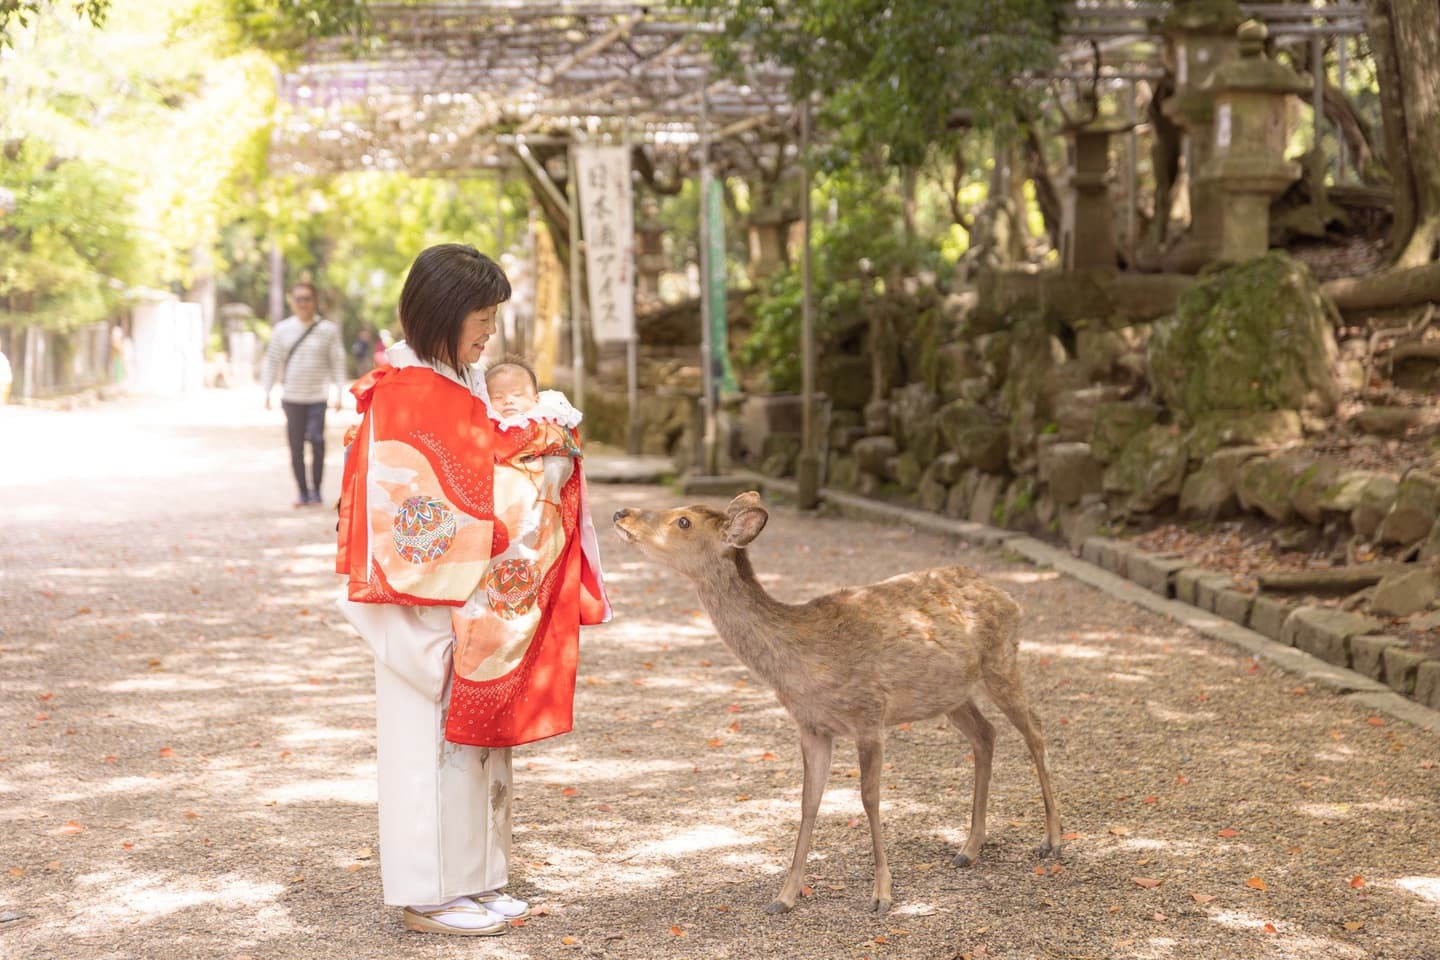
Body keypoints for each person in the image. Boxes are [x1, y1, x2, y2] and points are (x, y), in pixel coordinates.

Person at [333, 244, 609, 938]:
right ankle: (427, 892)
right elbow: (421, 497)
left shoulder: (458, 377)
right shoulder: (408, 387)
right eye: (481, 318)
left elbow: (488, 457)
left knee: (477, 742)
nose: (489, 333)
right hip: (427, 595)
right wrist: (512, 495)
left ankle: (476, 876)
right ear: (444, 312)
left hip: (472, 591)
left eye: (491, 319)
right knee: (431, 741)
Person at [260, 282, 346, 508]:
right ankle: (303, 492)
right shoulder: (282, 330)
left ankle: (316, 490)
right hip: (292, 397)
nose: (303, 303)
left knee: (317, 442)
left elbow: (337, 361)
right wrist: (267, 391)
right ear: (292, 302)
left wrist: (339, 391)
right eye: (298, 299)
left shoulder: (328, 330)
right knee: (296, 446)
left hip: (317, 396)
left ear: (315, 301)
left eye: (307, 298)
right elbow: (272, 361)